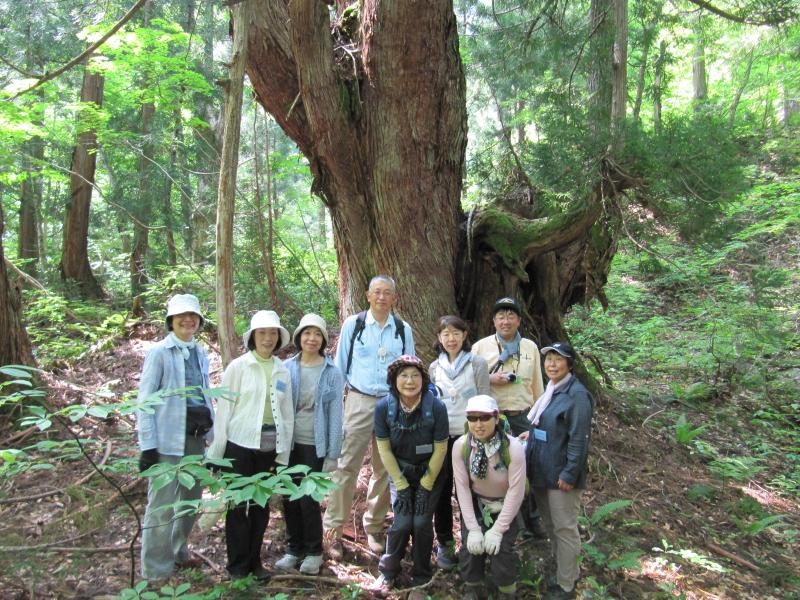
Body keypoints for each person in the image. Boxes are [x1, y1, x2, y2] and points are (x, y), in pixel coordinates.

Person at [323, 275, 415, 557]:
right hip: (359, 400)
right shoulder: (355, 325)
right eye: (377, 292)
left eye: (388, 293)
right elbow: (339, 367)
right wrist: (338, 407)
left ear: (395, 298)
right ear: (367, 295)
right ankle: (333, 530)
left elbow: (410, 367)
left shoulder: (402, 329)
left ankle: (374, 528)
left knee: (385, 468)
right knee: (346, 464)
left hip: (391, 403)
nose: (382, 297)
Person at [207, 310, 294, 581]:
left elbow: (287, 413)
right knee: (237, 506)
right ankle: (237, 566)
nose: (268, 339)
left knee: (260, 506)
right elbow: (224, 412)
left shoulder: (282, 369)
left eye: (272, 334)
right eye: (262, 333)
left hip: (267, 447)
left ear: (279, 338)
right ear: (253, 337)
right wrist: (216, 453)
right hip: (238, 445)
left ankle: (255, 562)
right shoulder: (238, 367)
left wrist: (283, 455)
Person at [136, 294, 214, 582]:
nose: (188, 320)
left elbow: (205, 396)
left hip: (196, 437)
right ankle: (156, 570)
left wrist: (213, 437)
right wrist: (148, 446)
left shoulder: (200, 352)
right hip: (167, 439)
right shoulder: (159, 353)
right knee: (161, 505)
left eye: (193, 315)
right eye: (181, 315)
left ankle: (178, 548)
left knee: (191, 500)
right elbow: (145, 400)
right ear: (171, 320)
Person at [522, 342, 593, 600]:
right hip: (541, 469)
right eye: (548, 359)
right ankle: (562, 569)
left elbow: (578, 438)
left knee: (564, 527)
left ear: (570, 364)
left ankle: (566, 584)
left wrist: (570, 473)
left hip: (561, 474)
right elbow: (547, 426)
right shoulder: (551, 391)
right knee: (551, 525)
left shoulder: (576, 395)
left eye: (558, 359)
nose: (552, 364)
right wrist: (529, 435)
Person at [275, 314, 344, 575]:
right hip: (288, 443)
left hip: (315, 444)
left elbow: (336, 414)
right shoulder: (286, 368)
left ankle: (314, 551)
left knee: (308, 498)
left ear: (323, 339)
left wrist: (332, 454)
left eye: (317, 334)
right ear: (298, 337)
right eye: (307, 333)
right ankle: (294, 549)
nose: (312, 339)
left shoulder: (331, 372)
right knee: (288, 498)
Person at [472, 296, 546, 537]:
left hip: (523, 416)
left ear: (519, 320)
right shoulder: (481, 347)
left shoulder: (530, 347)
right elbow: (470, 383)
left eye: (511, 316)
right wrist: (490, 379)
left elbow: (538, 386)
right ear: (493, 321)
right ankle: (505, 522)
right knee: (497, 470)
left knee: (529, 468)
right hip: (493, 419)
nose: (506, 321)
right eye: (501, 316)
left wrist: (538, 419)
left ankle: (533, 518)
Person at [373, 355, 449, 588]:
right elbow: (384, 449)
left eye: (415, 375)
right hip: (401, 474)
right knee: (403, 522)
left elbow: (441, 448)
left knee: (422, 523)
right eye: (403, 375)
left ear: (423, 379)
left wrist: (426, 484)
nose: (409, 381)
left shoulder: (436, 407)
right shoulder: (384, 407)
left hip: (431, 473)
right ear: (394, 379)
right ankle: (388, 572)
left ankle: (421, 576)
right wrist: (401, 484)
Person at [427, 315, 490, 569]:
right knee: (441, 492)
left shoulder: (477, 363)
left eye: (455, 333)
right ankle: (445, 544)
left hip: (470, 438)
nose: (450, 338)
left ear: (465, 335)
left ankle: (470, 542)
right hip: (442, 439)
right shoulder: (434, 368)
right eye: (445, 334)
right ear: (439, 339)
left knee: (470, 491)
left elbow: (486, 401)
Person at [453, 395, 526, 600]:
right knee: (470, 546)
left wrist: (498, 528)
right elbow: (463, 488)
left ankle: (506, 590)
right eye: (472, 418)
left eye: (484, 418)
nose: (478, 424)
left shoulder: (512, 448)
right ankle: (472, 586)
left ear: (496, 418)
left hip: (507, 503)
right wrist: (474, 528)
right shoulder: (461, 446)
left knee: (501, 548)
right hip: (477, 503)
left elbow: (516, 490)